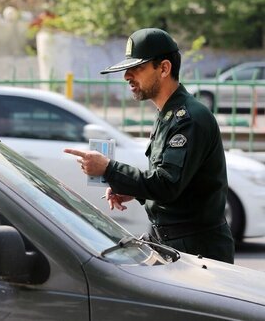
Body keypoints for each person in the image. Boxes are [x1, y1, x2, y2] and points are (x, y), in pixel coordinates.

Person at [64, 28, 235, 264]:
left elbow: (166, 184)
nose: (127, 76)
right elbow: (178, 188)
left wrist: (108, 169)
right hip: (174, 244)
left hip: (197, 251)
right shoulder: (169, 114)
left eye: (137, 68)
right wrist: (134, 191)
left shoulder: (189, 119)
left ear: (164, 68)